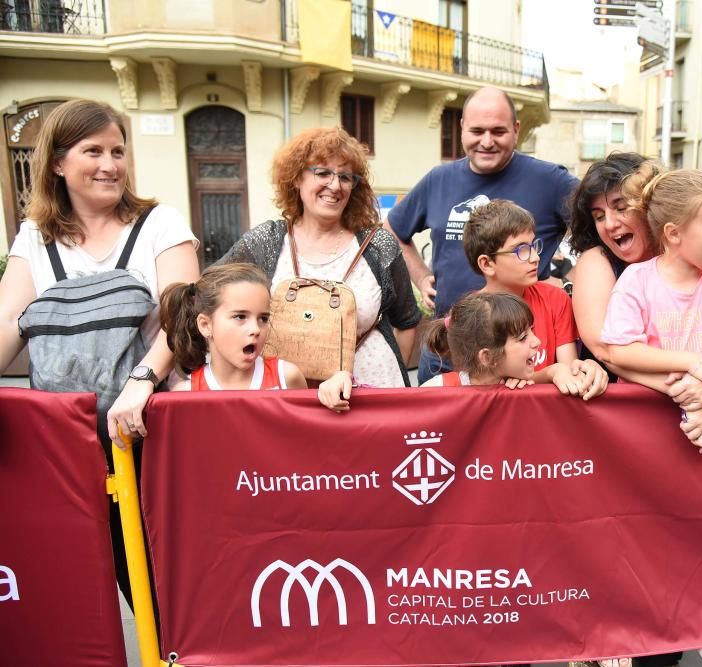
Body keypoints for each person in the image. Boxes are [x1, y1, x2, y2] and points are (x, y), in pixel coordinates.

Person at [0, 98, 200, 608]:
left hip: (148, 428)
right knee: (83, 589)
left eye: (118, 150)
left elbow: (182, 318)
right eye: (93, 151)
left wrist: (140, 382)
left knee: (161, 584)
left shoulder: (159, 223)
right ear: (58, 163)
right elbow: (7, 323)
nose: (110, 164)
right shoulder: (35, 238)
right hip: (67, 444)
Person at [216, 126, 421, 409]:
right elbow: (208, 297)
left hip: (370, 398)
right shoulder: (266, 242)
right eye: (323, 173)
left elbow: (408, 321)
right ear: (296, 178)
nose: (335, 186)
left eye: (345, 177)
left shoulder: (378, 246)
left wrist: (390, 384)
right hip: (288, 402)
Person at [388, 86, 579, 383]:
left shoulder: (550, 180)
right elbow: (393, 231)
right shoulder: (438, 180)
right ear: (462, 127)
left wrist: (575, 282)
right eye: (477, 130)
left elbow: (601, 227)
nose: (486, 142)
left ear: (516, 130)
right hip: (447, 350)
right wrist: (421, 276)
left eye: (498, 131)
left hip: (518, 352)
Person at [601, 164, 702, 462]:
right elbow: (621, 352)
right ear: (674, 234)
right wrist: (695, 365)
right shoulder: (637, 280)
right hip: (643, 421)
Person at [463, 198, 608, 399]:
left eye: (533, 246)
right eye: (521, 250)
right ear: (487, 263)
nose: (535, 257)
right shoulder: (469, 315)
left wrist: (585, 368)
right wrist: (548, 374)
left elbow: (566, 373)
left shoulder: (556, 299)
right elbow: (482, 384)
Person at [420, 291, 604, 401]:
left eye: (532, 330)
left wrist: (562, 371)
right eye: (523, 337)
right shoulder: (436, 392)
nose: (537, 341)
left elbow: (563, 376)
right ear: (487, 357)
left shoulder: (525, 386)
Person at [160, 262, 313, 394]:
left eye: (263, 319)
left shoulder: (286, 378)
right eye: (240, 317)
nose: (256, 329)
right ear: (206, 325)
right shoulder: (187, 392)